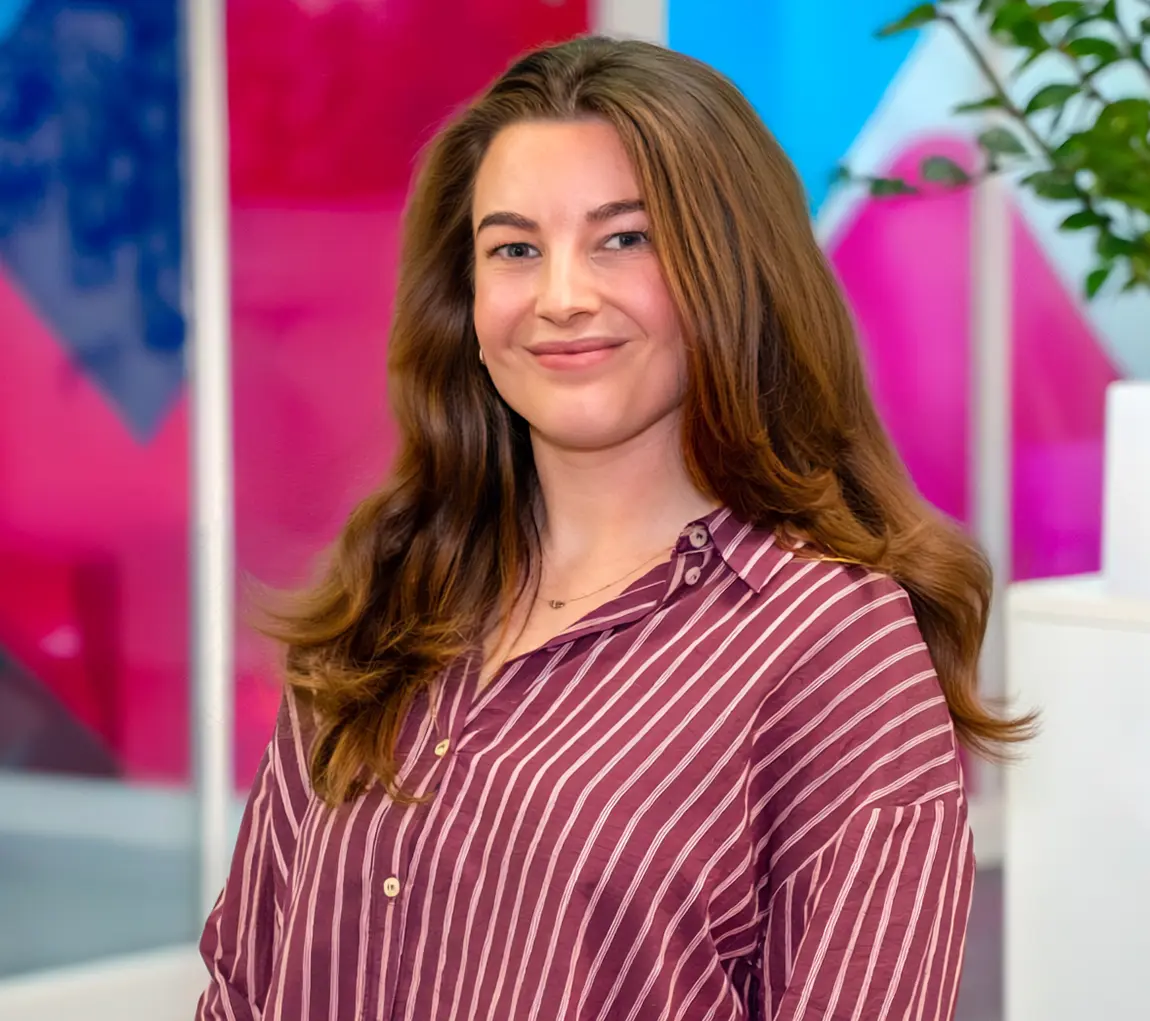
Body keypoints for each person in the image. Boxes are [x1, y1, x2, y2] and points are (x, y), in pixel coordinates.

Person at [196, 35, 1031, 1021]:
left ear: (730, 270)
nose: (559, 298)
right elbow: (245, 989)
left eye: (622, 239)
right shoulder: (390, 587)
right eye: (514, 249)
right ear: (463, 300)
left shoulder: (832, 644)